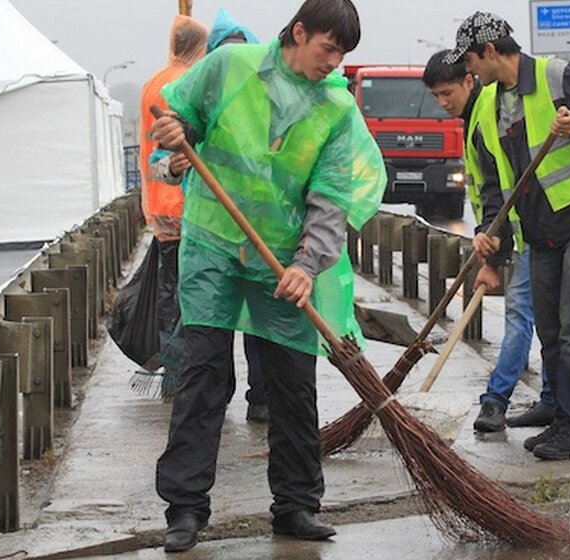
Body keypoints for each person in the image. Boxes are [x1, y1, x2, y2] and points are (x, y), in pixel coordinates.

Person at [150, 0, 386, 551]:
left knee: (291, 383)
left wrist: (307, 265)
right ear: (298, 32)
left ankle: (296, 505)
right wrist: (175, 130)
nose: (335, 62)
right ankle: (185, 508)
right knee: (203, 374)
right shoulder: (229, 68)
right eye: (328, 48)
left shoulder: (337, 110)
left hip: (281, 261)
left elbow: (331, 199)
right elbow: (185, 120)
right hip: (212, 245)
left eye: (343, 54)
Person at [446, 12, 570, 460]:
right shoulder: (486, 105)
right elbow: (494, 182)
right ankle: (559, 414)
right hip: (538, 230)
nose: (468, 72)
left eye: (470, 61)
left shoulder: (555, 75)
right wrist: (492, 237)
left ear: (489, 52)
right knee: (551, 328)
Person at [421, 51, 556, 433]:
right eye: (436, 96)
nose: (443, 102)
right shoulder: (474, 117)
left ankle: (495, 402)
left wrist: (494, 253)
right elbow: (485, 191)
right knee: (541, 318)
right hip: (512, 229)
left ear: (469, 79)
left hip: (530, 228)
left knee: (522, 315)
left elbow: (499, 188)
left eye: (447, 92)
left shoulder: (488, 114)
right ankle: (550, 400)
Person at [150, 8, 270, 424]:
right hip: (205, 239)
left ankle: (263, 398)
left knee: (260, 326)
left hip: (258, 236)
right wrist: (176, 165)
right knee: (208, 330)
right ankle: (211, 401)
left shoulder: (267, 103)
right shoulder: (193, 101)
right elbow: (158, 163)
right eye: (224, 57)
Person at [138, 16, 208, 358]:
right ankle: (181, 369)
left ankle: (171, 367)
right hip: (186, 204)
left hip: (159, 203)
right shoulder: (188, 82)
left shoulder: (153, 82)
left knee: (170, 292)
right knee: (191, 296)